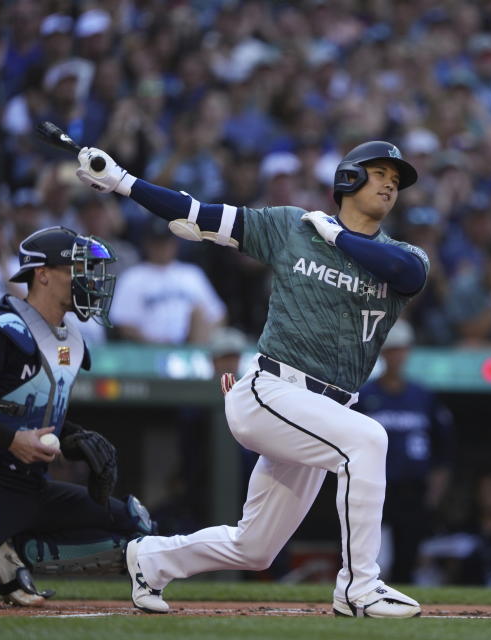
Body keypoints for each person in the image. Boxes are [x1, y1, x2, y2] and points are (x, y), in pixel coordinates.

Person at [75, 139, 428, 617]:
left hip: (324, 412)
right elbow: (199, 214)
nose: (390, 182)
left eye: (396, 179)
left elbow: (407, 274)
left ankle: (151, 559)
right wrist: (121, 180)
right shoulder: (292, 227)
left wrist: (339, 238)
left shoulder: (401, 253)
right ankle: (359, 586)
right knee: (369, 441)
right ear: (349, 178)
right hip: (271, 390)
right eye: (380, 171)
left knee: (255, 547)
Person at [0, 226, 156, 608]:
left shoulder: (73, 340)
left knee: (140, 530)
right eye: (77, 269)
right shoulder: (0, 328)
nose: (87, 279)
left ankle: (12, 551)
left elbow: (35, 412)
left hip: (34, 485)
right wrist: (12, 441)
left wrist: (76, 440)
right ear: (43, 274)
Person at [354, 320, 454, 584]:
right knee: (371, 558)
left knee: (407, 560)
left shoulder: (423, 396)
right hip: (373, 487)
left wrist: (433, 495)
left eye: (403, 349)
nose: (398, 355)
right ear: (383, 353)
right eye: (392, 349)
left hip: (412, 489)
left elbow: (442, 451)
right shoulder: (366, 395)